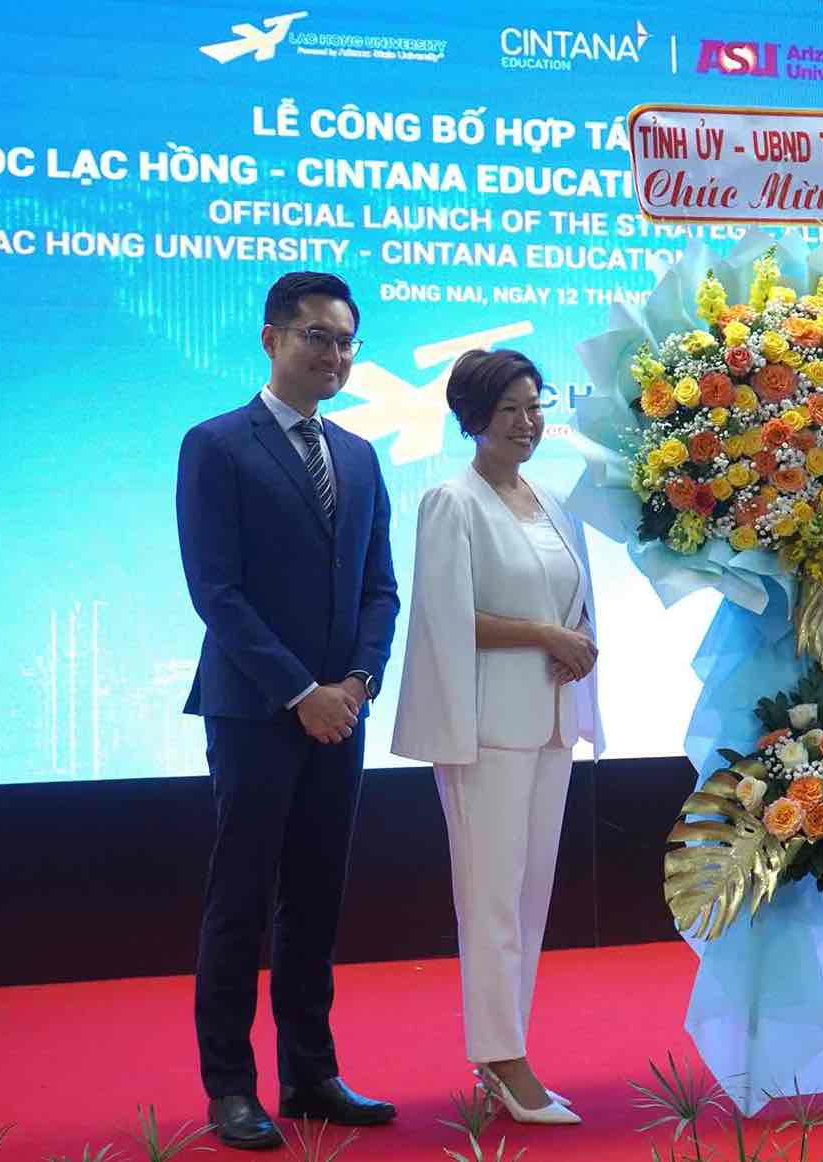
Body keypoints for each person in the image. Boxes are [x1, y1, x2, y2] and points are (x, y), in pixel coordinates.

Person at [176, 271, 400, 1149]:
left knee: (317, 897)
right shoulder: (217, 445)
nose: (335, 355)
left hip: (342, 714)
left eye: (346, 341)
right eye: (318, 337)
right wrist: (300, 693)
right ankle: (230, 1085)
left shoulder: (359, 454)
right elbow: (216, 593)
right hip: (255, 712)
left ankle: (310, 1073)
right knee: (241, 897)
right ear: (271, 340)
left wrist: (355, 685)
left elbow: (379, 588)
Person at [391, 349, 601, 1126]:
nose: (527, 422)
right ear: (473, 420)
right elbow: (447, 616)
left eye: (534, 405)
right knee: (489, 900)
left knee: (528, 896)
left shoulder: (548, 500)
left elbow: (571, 601)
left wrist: (572, 640)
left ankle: (505, 1047)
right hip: (484, 728)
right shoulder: (454, 501)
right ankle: (502, 1057)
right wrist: (545, 634)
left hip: (548, 723)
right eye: (509, 409)